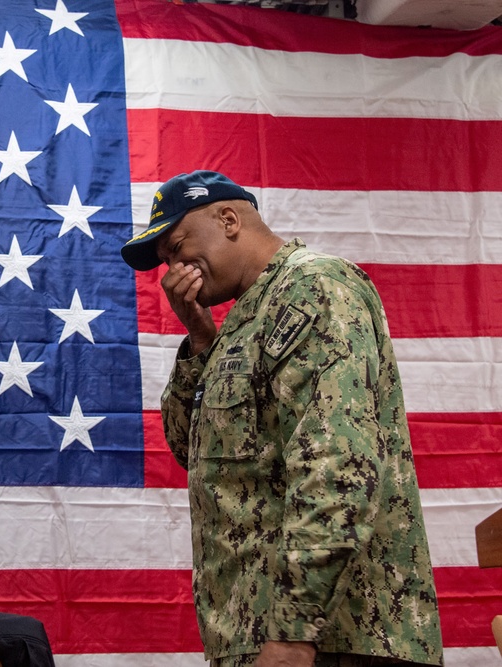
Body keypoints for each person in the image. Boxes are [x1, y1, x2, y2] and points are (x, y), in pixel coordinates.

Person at [120, 171, 443, 667]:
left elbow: (337, 464)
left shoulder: (314, 288)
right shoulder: (240, 325)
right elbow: (191, 452)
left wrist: (293, 631)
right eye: (165, 261)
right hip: (257, 634)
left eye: (178, 246)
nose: (173, 269)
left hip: (334, 640)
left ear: (228, 219)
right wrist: (201, 343)